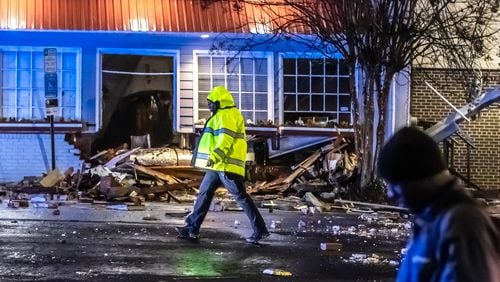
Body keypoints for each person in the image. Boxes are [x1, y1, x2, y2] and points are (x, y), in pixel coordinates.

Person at [378, 126, 500, 282]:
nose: (390, 194)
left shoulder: (461, 222)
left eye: (394, 184)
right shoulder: (434, 219)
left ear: (417, 179)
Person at [176, 86, 269, 244]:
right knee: (204, 194)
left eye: (211, 103)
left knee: (241, 197)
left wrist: (214, 157)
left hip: (225, 165)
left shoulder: (227, 115)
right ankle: (192, 228)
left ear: (219, 102)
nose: (209, 106)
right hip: (217, 166)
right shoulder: (221, 114)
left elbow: (225, 140)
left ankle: (260, 230)